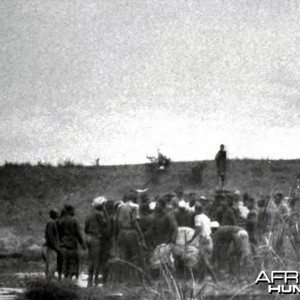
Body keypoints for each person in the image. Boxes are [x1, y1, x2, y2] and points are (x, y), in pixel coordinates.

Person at [84, 196, 108, 286]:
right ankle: (95, 279)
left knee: (90, 259)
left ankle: (90, 279)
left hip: (88, 238)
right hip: (95, 238)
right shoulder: (99, 214)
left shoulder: (89, 215)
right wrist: (105, 211)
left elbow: (85, 229)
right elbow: (105, 224)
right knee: (97, 260)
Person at [58, 204, 86, 279]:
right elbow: (78, 234)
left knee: (64, 263)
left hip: (63, 245)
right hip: (72, 245)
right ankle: (71, 280)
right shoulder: (74, 220)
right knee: (72, 263)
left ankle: (64, 279)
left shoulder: (61, 221)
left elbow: (59, 234)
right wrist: (83, 244)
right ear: (70, 211)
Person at [42, 209, 61, 279]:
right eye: (56, 214)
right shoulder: (51, 223)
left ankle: (49, 278)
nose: (58, 215)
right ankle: (50, 278)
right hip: (50, 247)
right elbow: (51, 236)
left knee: (50, 263)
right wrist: (56, 247)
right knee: (52, 263)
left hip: (50, 246)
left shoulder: (51, 222)